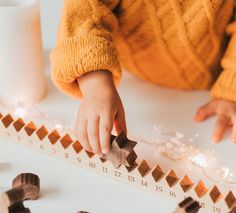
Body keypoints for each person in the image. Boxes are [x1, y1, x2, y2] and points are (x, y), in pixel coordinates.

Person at [50, 0, 236, 155]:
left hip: (210, 80)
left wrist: (231, 86)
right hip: (123, 69)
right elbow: (83, 11)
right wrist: (96, 86)